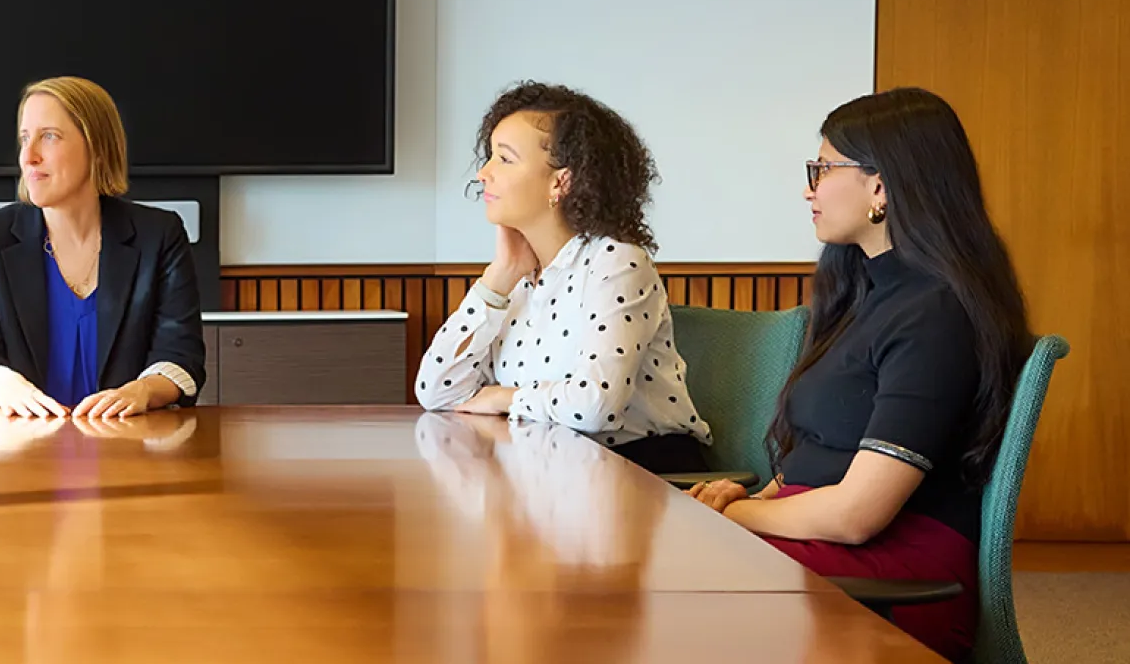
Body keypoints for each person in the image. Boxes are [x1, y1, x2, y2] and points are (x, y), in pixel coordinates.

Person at [689, 88, 1028, 661]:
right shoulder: (864, 294)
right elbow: (818, 453)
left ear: (880, 187)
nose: (808, 188)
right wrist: (748, 496)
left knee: (667, 586)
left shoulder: (937, 314)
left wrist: (735, 515)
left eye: (822, 169)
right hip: (831, 544)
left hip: (897, 579)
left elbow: (857, 514)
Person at [414, 82, 713, 473]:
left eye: (504, 159)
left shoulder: (617, 263)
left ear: (561, 182)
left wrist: (507, 397)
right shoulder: (520, 277)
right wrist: (498, 279)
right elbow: (436, 391)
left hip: (640, 473)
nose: (484, 173)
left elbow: (596, 405)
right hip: (551, 471)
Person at [0, 76, 207, 417]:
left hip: (128, 451)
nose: (29, 156)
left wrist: (142, 390)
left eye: (49, 137)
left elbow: (182, 358)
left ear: (97, 147)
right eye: (24, 139)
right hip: (21, 451)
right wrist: (1, 383)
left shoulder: (159, 236)